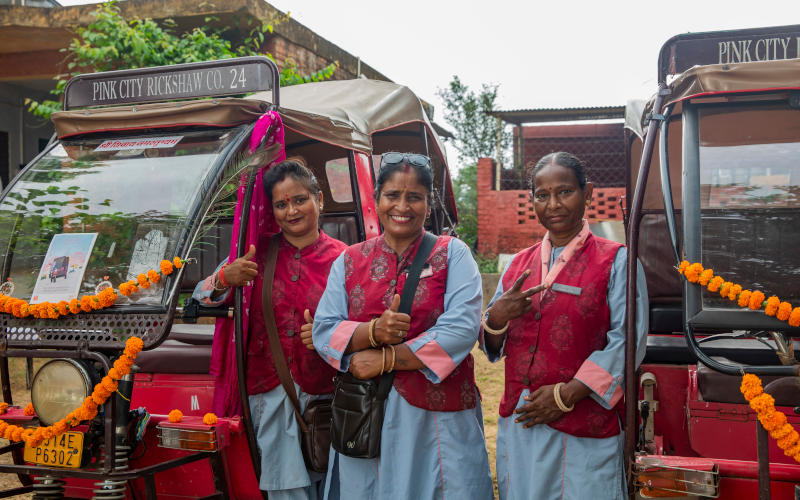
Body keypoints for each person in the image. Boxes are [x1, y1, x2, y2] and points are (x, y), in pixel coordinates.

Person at [311, 152, 493, 500]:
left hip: (437, 418)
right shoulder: (349, 260)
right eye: (393, 195)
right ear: (377, 199)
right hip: (367, 413)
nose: (403, 206)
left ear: (428, 204)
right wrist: (372, 332)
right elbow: (324, 329)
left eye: (415, 197)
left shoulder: (453, 254)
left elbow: (461, 329)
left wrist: (385, 359)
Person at [481, 152, 648, 500]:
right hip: (523, 421)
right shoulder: (517, 266)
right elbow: (491, 346)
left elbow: (627, 342)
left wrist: (566, 394)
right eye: (542, 195)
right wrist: (497, 317)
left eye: (565, 192)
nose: (553, 204)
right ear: (533, 201)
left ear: (588, 193)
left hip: (583, 425)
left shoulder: (617, 261)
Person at [194, 160, 347, 500]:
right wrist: (224, 279)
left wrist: (329, 338)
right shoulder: (253, 253)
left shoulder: (347, 259)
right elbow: (200, 295)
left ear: (319, 200)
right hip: (270, 394)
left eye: (300, 200)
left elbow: (365, 323)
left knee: (337, 484)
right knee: (285, 490)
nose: (291, 210)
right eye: (281, 204)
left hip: (328, 394)